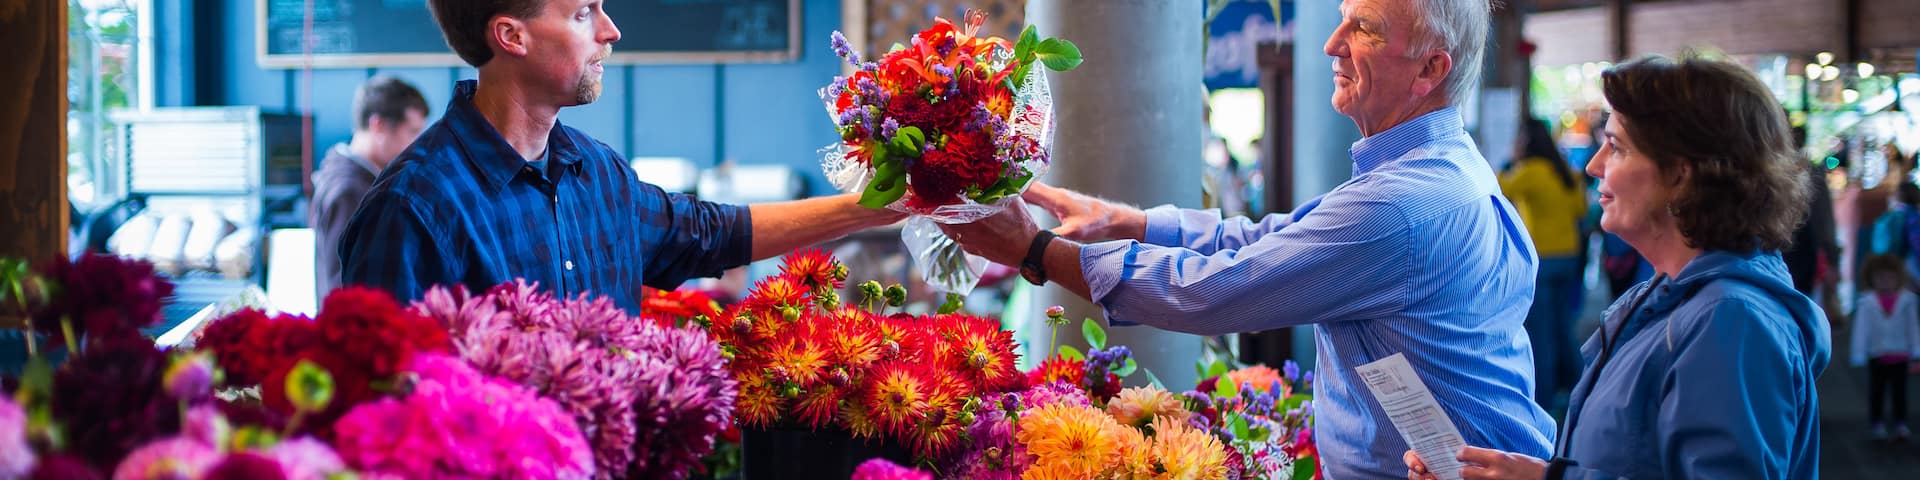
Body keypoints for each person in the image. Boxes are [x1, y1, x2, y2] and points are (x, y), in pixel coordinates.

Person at [941, 0, 1555, 476]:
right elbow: (1272, 235)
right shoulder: (1439, 166)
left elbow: (1215, 293)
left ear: (1430, 68)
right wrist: (1122, 219)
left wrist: (1034, 250)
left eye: (1363, 28)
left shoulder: (1402, 204)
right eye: (1342, 19)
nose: (1331, 44)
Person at [1406, 53, 1829, 480]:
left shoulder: (1732, 321)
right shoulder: (1668, 296)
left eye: (1618, 147)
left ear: (1682, 173)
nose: (1594, 165)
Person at [340, 0, 902, 313]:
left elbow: (710, 232)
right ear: (512, 36)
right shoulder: (414, 208)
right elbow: (381, 413)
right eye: (585, 12)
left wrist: (871, 207)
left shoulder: (597, 171)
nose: (611, 31)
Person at [311, 76, 430, 299]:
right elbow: (342, 289)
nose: (418, 144)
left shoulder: (366, 180)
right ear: (379, 125)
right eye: (413, 132)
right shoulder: (348, 190)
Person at [1501, 117, 1586, 413]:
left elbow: (1499, 189)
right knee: (1564, 327)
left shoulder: (1531, 172)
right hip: (1570, 257)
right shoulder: (1565, 171)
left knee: (1541, 335)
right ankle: (1581, 394)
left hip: (1544, 260)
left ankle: (1544, 404)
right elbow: (1581, 208)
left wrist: (1509, 160)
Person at [1852, 254, 1920, 441]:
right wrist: (1858, 353)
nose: (1885, 282)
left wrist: (1916, 348)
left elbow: (1913, 327)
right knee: (1877, 392)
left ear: (1898, 278)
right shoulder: (1867, 302)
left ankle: (1900, 423)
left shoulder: (1908, 301)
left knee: (1900, 393)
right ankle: (1877, 423)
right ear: (1871, 279)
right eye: (1880, 278)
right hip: (1877, 354)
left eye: (1890, 278)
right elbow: (1861, 330)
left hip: (1900, 354)